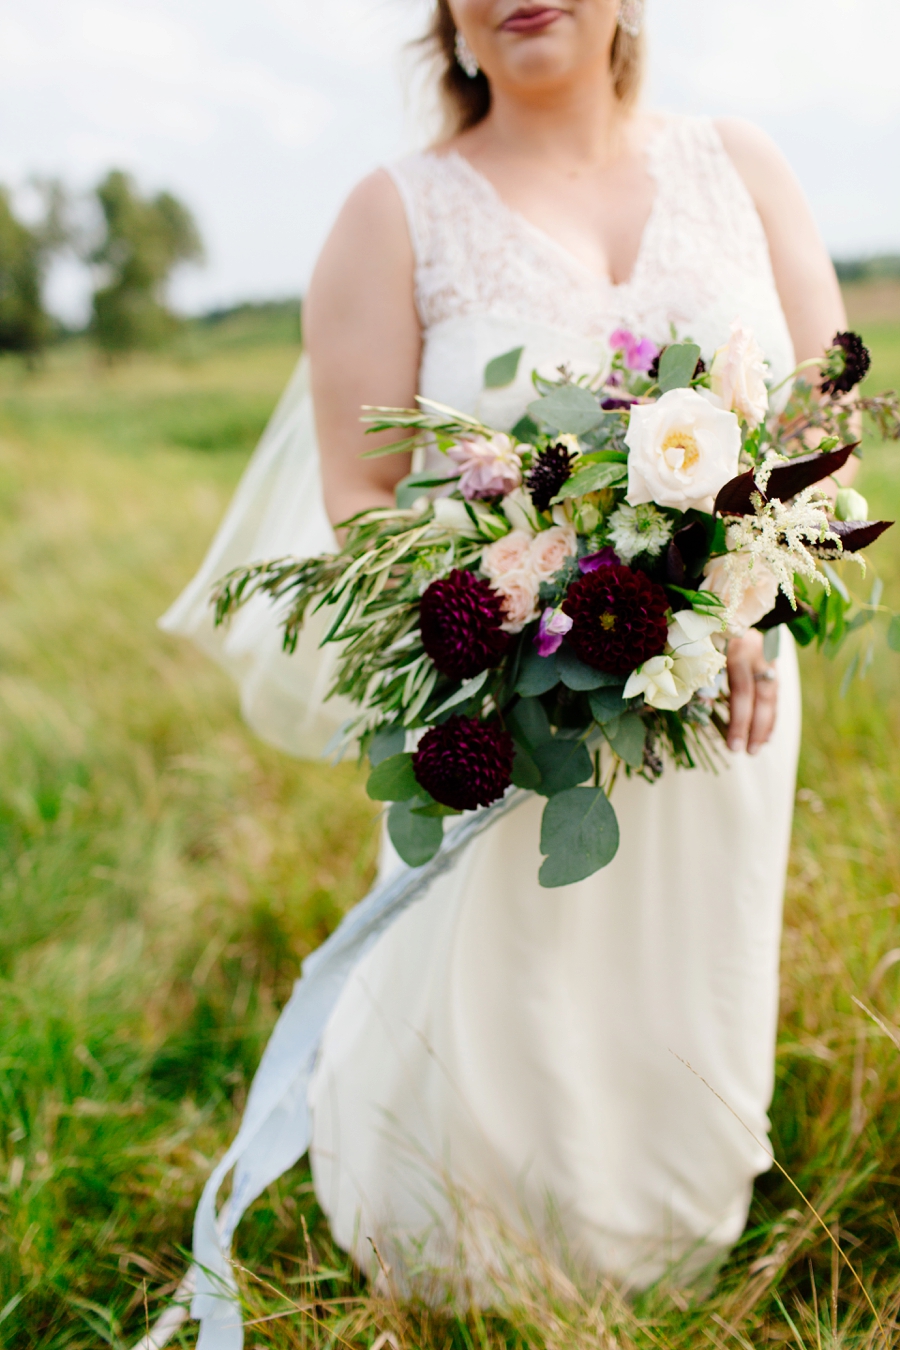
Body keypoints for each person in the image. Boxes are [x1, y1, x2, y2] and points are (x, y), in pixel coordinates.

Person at [162, 0, 852, 1321]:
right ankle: (463, 1235)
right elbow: (360, 490)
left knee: (678, 960)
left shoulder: (743, 166)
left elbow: (827, 428)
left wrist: (741, 598)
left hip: (722, 682)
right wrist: (506, 590)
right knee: (507, 979)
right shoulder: (394, 213)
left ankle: (672, 1208)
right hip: (508, 695)